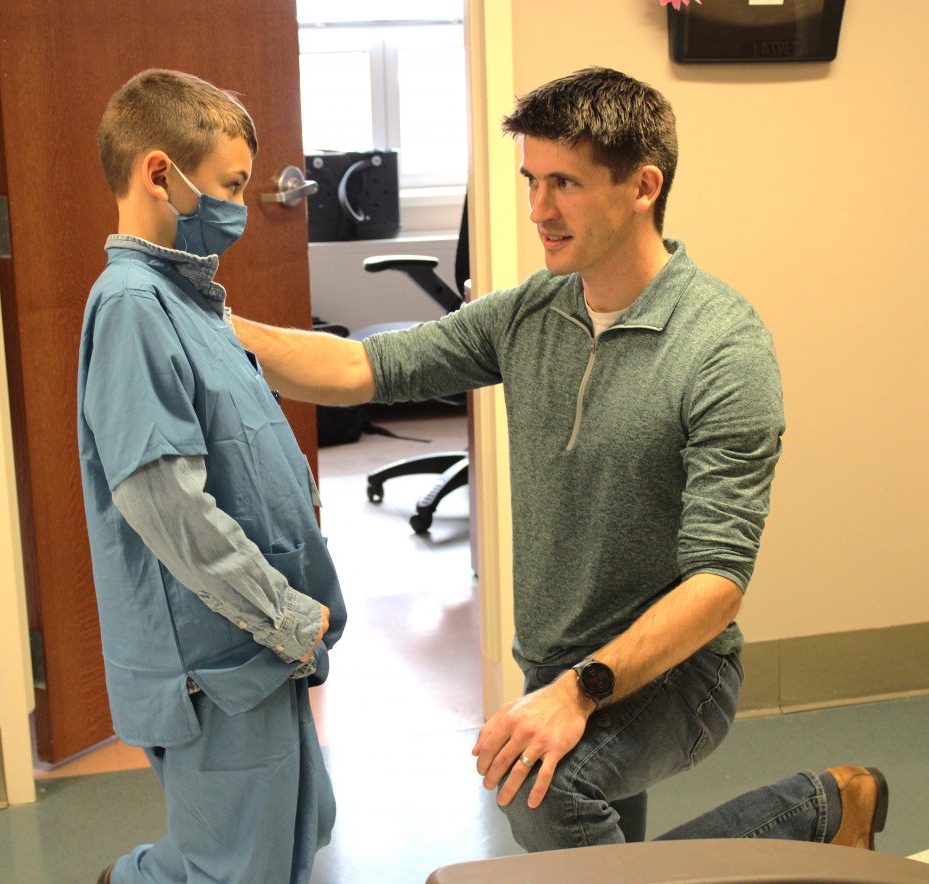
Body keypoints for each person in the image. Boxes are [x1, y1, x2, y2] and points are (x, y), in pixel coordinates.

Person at [231, 67, 888, 852]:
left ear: (643, 186)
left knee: (545, 792)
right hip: (558, 664)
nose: (538, 211)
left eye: (565, 185)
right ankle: (821, 810)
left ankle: (818, 807)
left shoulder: (722, 349)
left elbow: (718, 586)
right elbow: (360, 370)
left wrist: (579, 693)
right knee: (598, 849)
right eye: (531, 181)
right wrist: (210, 325)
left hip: (678, 674)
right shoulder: (531, 312)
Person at [77, 69, 346, 884]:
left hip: (254, 644)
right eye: (229, 186)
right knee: (235, 866)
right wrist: (286, 617)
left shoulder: (192, 303)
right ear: (161, 174)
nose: (238, 207)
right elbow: (167, 504)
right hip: (216, 655)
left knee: (302, 824)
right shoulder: (131, 307)